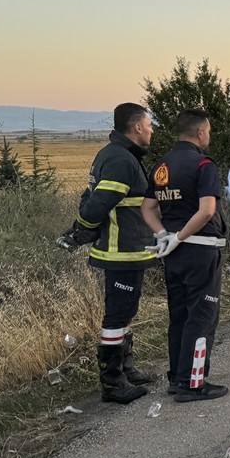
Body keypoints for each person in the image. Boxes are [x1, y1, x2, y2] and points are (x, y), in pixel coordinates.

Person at [58, 103, 158, 404]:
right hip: (120, 252)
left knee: (125, 312)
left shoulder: (117, 155)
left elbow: (93, 198)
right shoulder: (120, 159)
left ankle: (126, 370)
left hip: (129, 251)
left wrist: (84, 229)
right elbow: (97, 203)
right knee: (116, 315)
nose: (152, 130)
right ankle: (113, 383)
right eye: (149, 124)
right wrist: (82, 229)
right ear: (137, 126)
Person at [141, 108, 229, 402]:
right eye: (209, 132)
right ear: (200, 132)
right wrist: (179, 236)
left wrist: (163, 235)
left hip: (174, 254)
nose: (209, 136)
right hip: (201, 249)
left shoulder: (162, 164)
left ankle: (177, 378)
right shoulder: (204, 164)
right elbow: (207, 210)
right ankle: (193, 384)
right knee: (202, 316)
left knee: (179, 315)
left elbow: (147, 208)